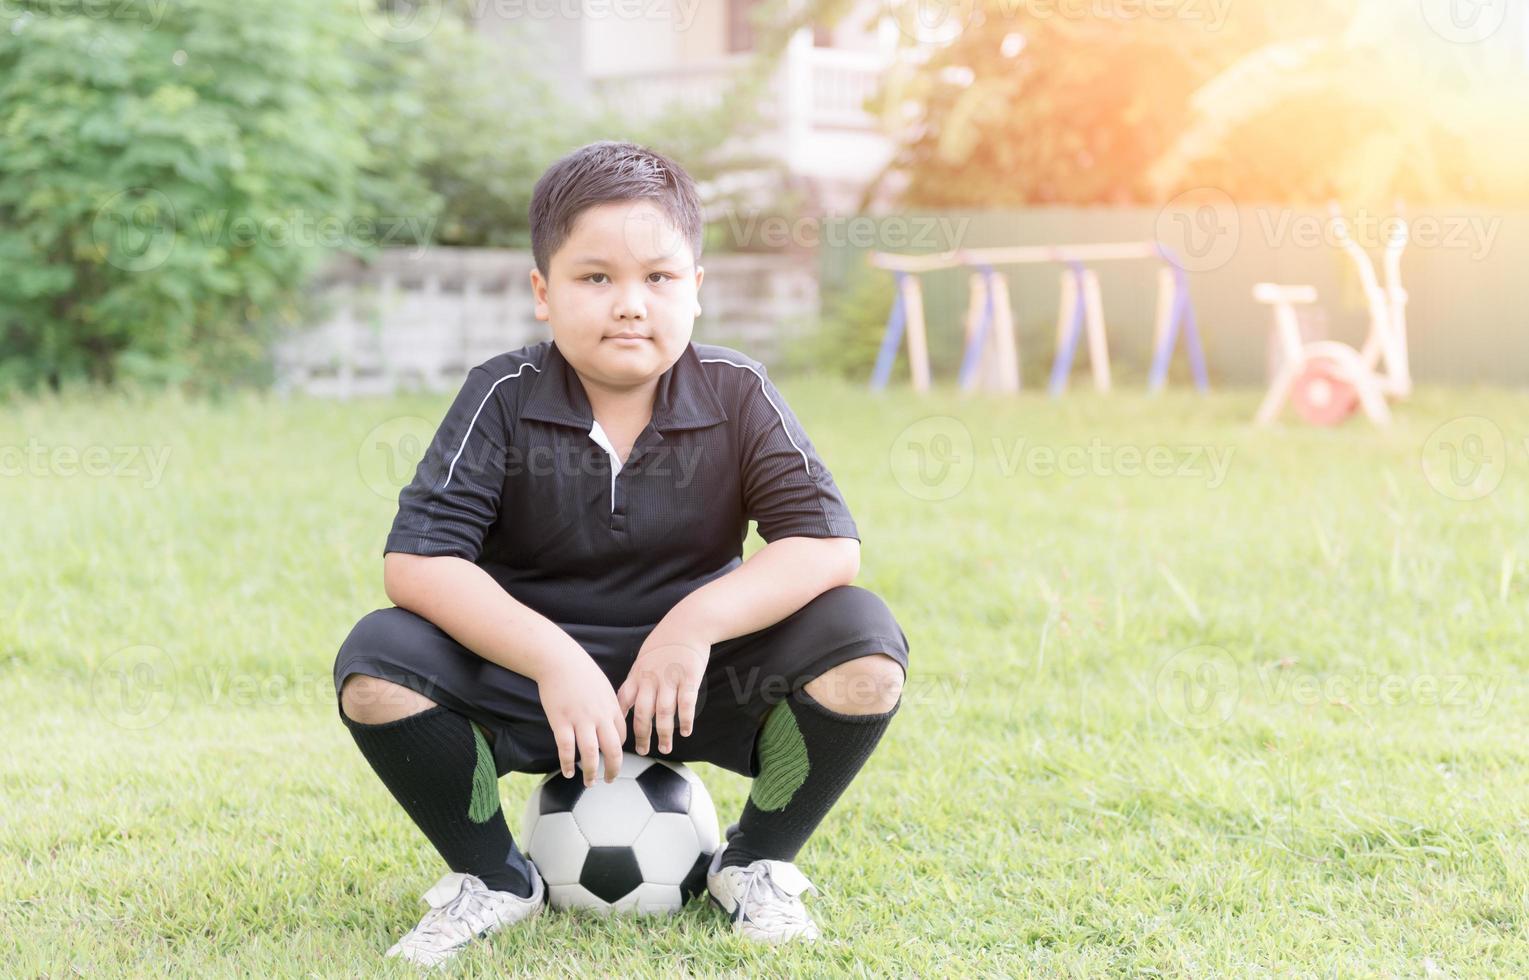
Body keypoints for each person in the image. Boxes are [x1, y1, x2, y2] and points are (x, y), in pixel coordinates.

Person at [333, 140, 911, 967]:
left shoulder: (736, 391)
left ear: (697, 290)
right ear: (543, 292)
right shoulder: (502, 396)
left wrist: (692, 628)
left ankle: (754, 864)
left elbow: (824, 543)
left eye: (659, 278)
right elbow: (419, 563)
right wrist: (550, 658)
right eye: (595, 277)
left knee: (863, 642)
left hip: (693, 683)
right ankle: (492, 878)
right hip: (531, 685)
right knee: (377, 662)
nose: (630, 304)